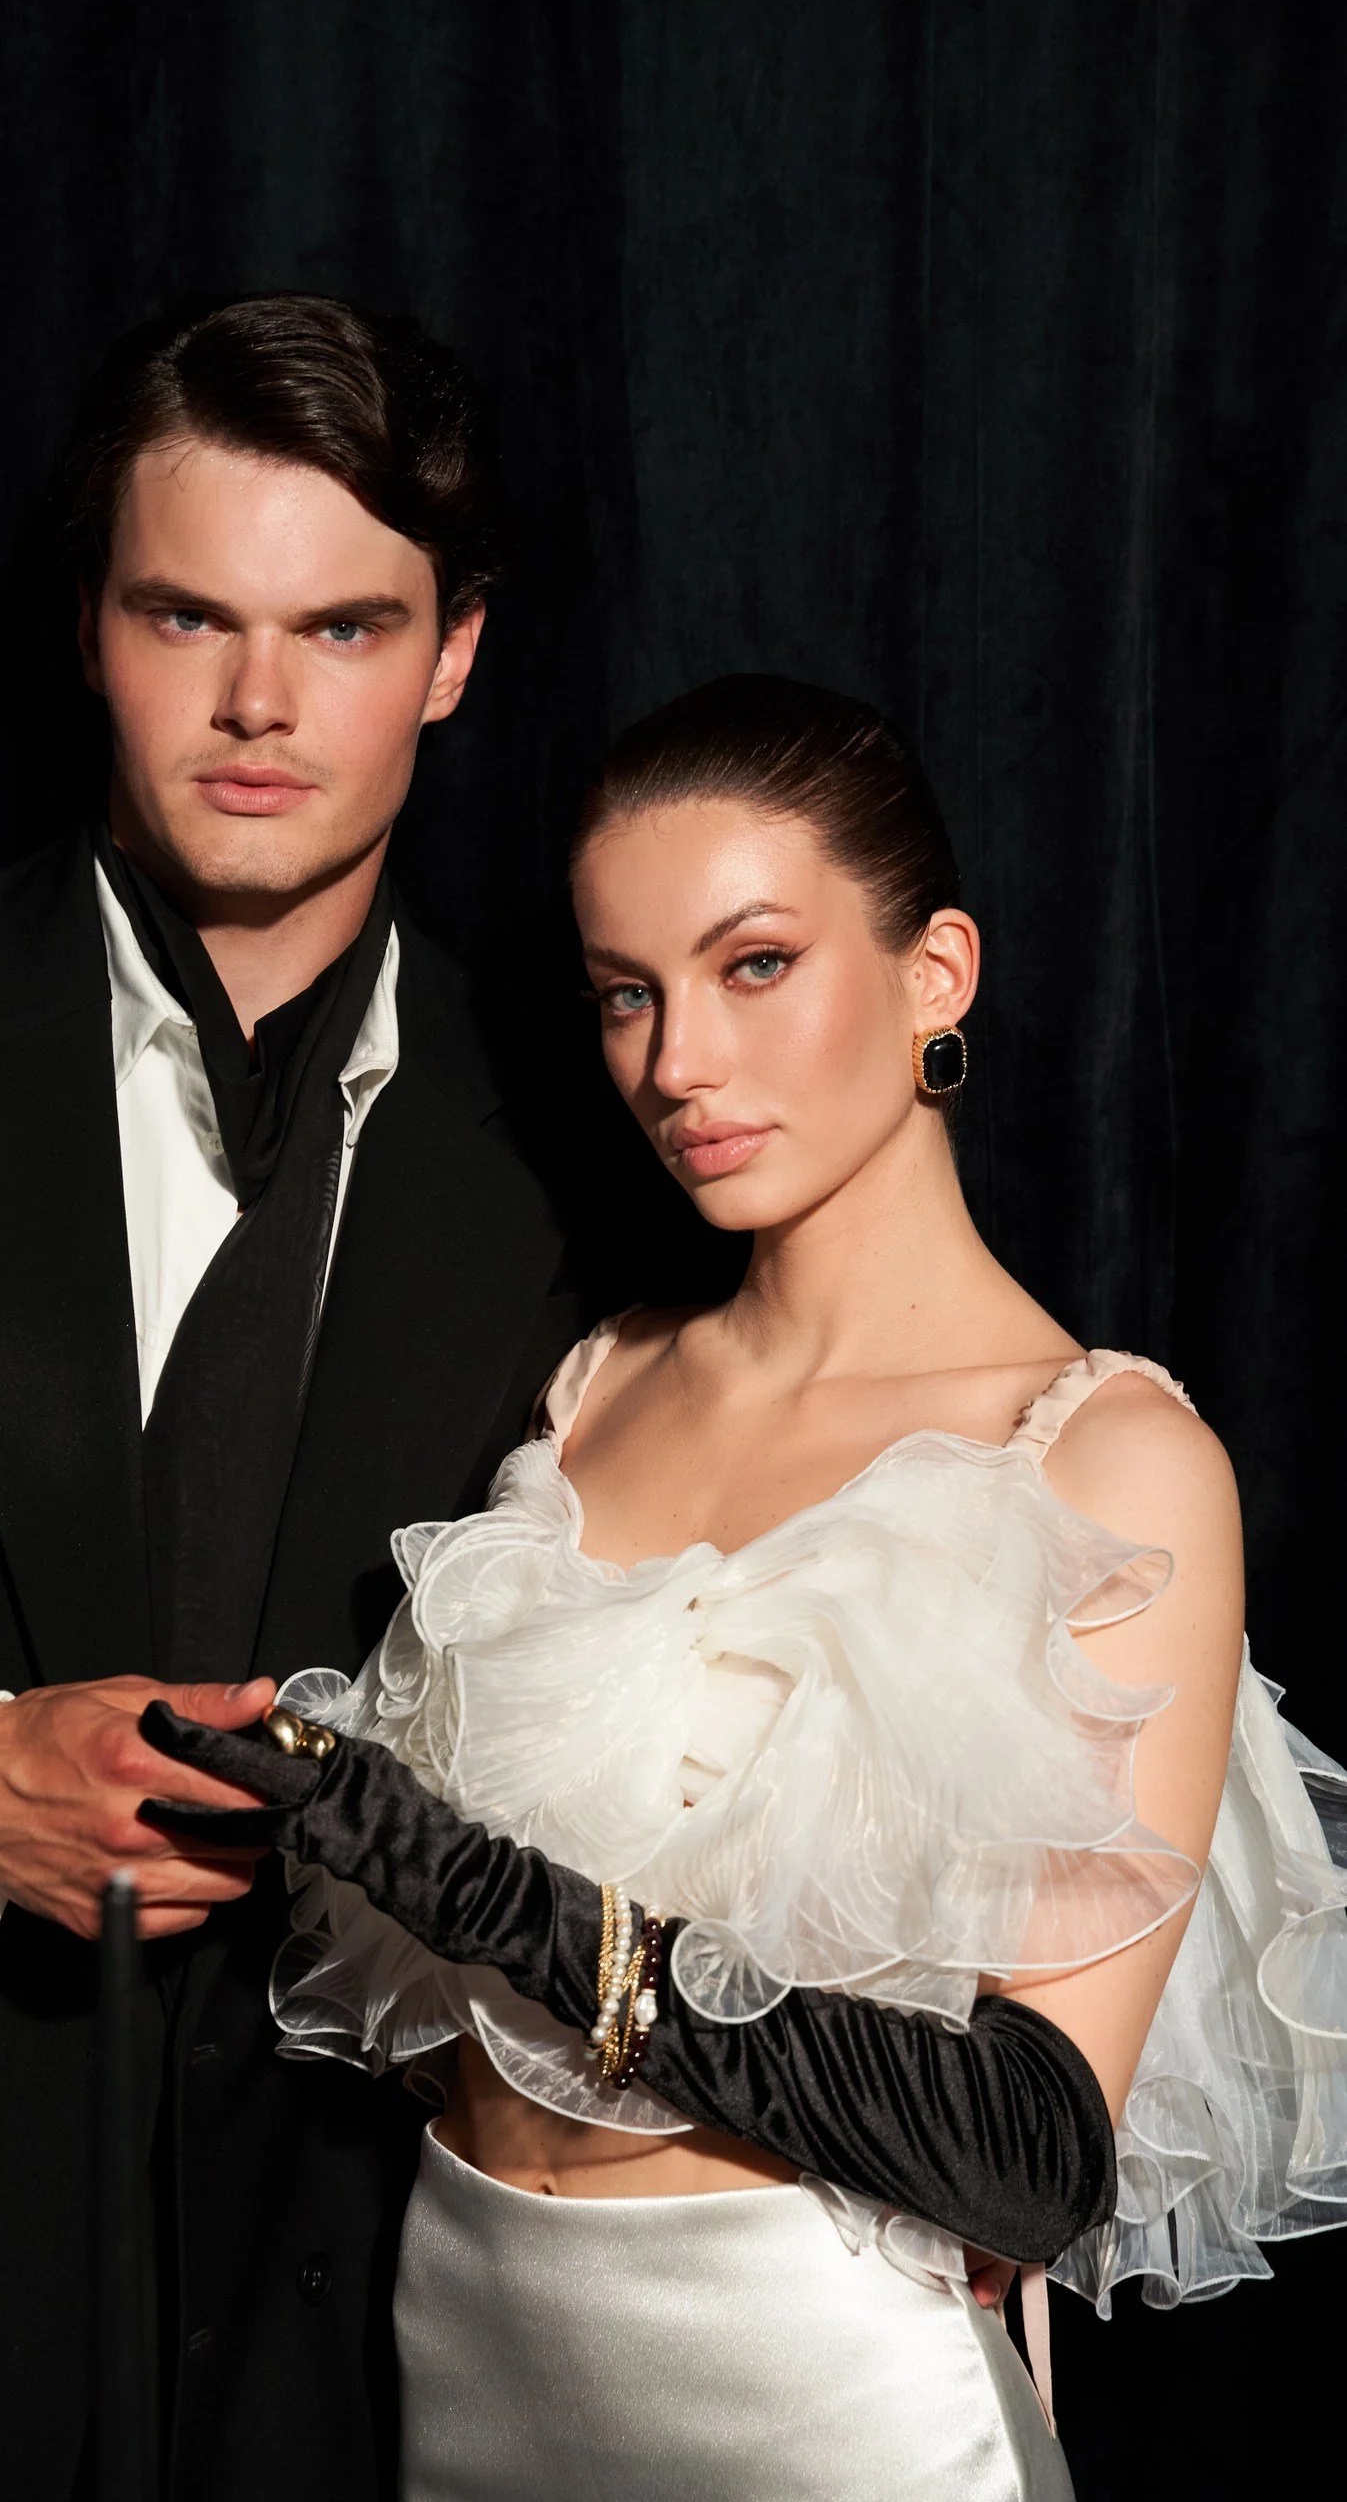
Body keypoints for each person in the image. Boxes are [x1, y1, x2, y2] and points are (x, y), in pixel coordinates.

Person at [151, 675, 1347, 2499]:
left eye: (755, 965)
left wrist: (502, 1900)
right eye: (626, 992)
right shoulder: (586, 1388)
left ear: (936, 971)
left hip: (814, 2405)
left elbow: (1026, 2154)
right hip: (462, 2348)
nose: (676, 1064)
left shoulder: (1100, 1466)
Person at [0, 295, 584, 2501]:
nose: (262, 706)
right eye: (191, 615)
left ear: (452, 653)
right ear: (91, 621)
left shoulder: (593, 1141)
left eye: (344, 629)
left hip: (378, 2376)